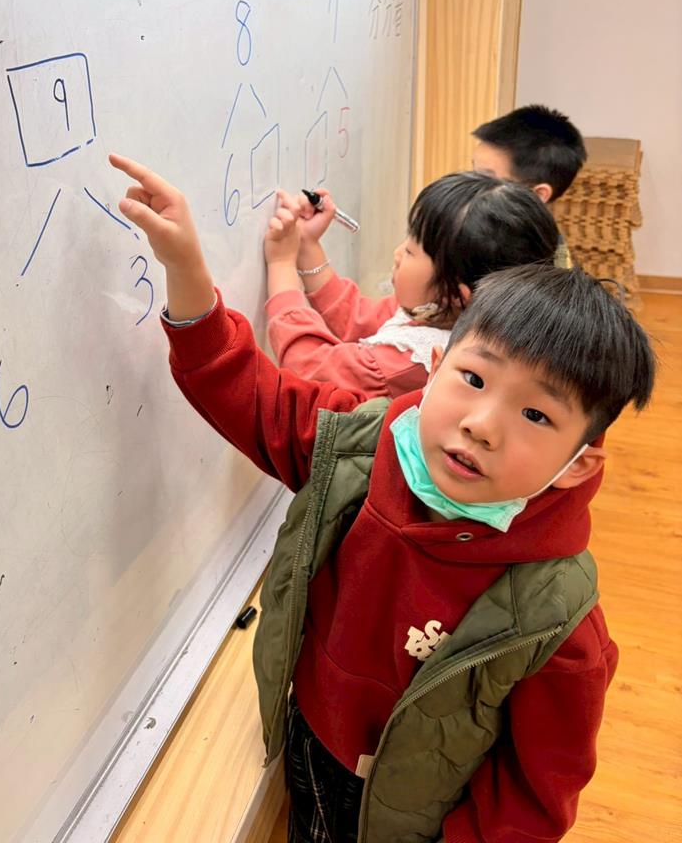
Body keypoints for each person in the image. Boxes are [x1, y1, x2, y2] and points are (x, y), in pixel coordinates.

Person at [108, 151, 655, 843]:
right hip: (308, 745)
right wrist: (187, 267)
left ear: (578, 467)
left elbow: (533, 798)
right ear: (435, 362)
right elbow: (251, 396)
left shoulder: (557, 620)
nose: (481, 425)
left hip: (418, 820)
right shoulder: (365, 449)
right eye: (473, 379)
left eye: (536, 415)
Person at [265, 173, 558, 398]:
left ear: (455, 295)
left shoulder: (412, 361)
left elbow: (308, 365)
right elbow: (358, 318)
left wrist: (281, 265)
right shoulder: (445, 314)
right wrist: (306, 245)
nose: (397, 254)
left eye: (410, 250)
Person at [472, 104, 587, 267]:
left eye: (485, 178)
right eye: (472, 171)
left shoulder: (531, 260)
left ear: (538, 194)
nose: (467, 182)